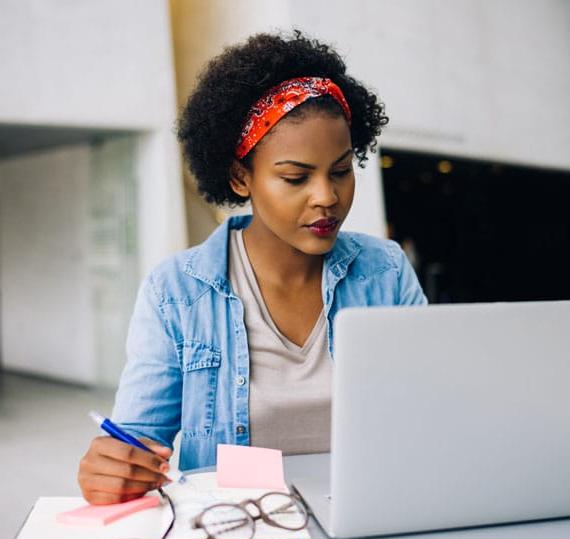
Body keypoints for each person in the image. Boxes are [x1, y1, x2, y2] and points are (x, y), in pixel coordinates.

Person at [78, 31, 427, 504]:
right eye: (295, 177)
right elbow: (137, 445)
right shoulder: (177, 292)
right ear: (242, 178)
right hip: (238, 528)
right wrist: (114, 467)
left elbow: (429, 410)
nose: (326, 196)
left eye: (341, 170)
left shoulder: (384, 271)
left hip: (372, 510)